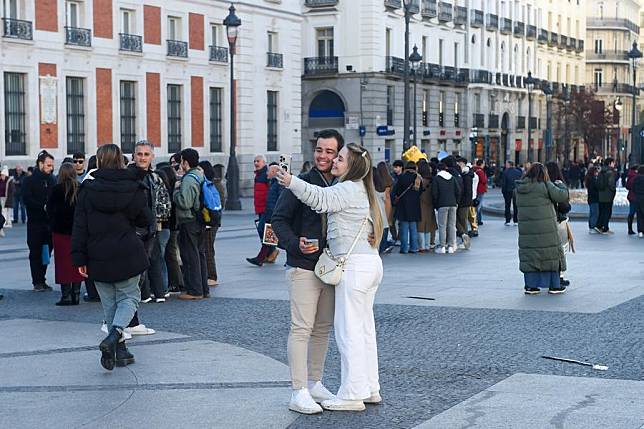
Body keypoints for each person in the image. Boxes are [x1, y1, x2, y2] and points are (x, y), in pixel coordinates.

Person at [276, 142, 383, 412]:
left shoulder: (347, 188)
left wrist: (290, 181)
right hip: (370, 264)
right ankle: (370, 388)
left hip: (354, 267)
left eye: (340, 157)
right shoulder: (364, 190)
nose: (333, 160)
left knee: (349, 332)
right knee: (364, 330)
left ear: (351, 165)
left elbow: (320, 199)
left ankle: (352, 394)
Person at [271, 129, 342, 414]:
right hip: (302, 266)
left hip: (331, 268)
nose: (323, 156)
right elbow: (278, 219)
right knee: (301, 328)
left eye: (330, 152)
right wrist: (295, 244)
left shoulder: (341, 184)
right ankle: (298, 390)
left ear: (339, 155)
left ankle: (315, 382)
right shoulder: (300, 183)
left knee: (323, 329)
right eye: (320, 150)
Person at [71, 144, 152, 370]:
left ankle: (118, 349)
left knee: (109, 303)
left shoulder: (87, 188)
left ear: (98, 161)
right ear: (121, 160)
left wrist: (79, 259)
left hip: (97, 253)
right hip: (126, 249)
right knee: (130, 298)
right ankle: (114, 336)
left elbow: (79, 226)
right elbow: (145, 219)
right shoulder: (132, 186)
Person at [515, 163, 569, 295]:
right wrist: (560, 184)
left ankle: (531, 286)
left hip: (527, 229)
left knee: (530, 255)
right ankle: (554, 285)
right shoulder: (545, 185)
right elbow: (562, 196)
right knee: (550, 255)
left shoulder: (520, 188)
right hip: (547, 229)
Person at [130, 140, 171, 303]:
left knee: (153, 258)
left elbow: (165, 202)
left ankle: (158, 292)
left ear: (152, 157)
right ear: (134, 156)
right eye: (139, 154)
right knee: (140, 261)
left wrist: (157, 221)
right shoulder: (128, 176)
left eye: (146, 154)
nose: (142, 158)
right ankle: (144, 293)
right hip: (134, 227)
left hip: (151, 227)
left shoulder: (155, 178)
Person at [174, 148, 209, 300]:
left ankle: (194, 291)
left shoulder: (189, 178)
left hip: (189, 220)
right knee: (200, 254)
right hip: (200, 219)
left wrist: (176, 191)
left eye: (181, 161)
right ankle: (203, 289)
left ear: (185, 162)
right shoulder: (200, 174)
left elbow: (185, 202)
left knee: (190, 256)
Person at [47, 163, 84, 306]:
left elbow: (50, 210)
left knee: (62, 263)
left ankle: (66, 295)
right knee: (78, 262)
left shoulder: (56, 189)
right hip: (77, 231)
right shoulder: (80, 188)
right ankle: (76, 294)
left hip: (60, 231)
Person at [22, 151, 56, 291]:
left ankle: (42, 278)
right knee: (35, 252)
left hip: (49, 223)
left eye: (52, 165)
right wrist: (42, 206)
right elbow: (27, 199)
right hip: (35, 223)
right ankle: (37, 281)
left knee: (46, 252)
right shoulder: (29, 181)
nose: (51, 168)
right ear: (40, 164)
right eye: (48, 165)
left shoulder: (53, 180)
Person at [247, 163, 283, 266]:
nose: (266, 173)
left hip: (272, 214)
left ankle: (261, 258)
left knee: (269, 237)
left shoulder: (278, 184)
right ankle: (263, 257)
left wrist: (275, 214)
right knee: (266, 235)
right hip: (268, 212)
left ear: (274, 173)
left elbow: (279, 200)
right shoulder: (273, 182)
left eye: (269, 171)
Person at [546, 162, 573, 288]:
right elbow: (564, 206)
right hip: (558, 221)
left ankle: (547, 276)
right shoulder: (558, 185)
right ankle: (559, 276)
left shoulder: (543, 184)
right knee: (562, 249)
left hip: (545, 221)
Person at [198, 160, 224, 285]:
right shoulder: (213, 184)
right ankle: (210, 275)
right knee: (208, 247)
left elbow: (218, 203)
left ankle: (212, 276)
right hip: (213, 219)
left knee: (208, 248)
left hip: (211, 220)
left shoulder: (212, 185)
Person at [393, 161, 422, 254]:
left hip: (403, 205)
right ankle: (414, 248)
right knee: (413, 228)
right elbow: (421, 191)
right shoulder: (418, 178)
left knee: (404, 228)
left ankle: (404, 248)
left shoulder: (402, 177)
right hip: (414, 206)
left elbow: (396, 191)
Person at [432, 162, 461, 254]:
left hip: (442, 204)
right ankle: (451, 246)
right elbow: (458, 191)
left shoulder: (436, 178)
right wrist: (456, 202)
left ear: (437, 169)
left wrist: (436, 205)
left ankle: (443, 246)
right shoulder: (452, 178)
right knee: (452, 225)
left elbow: (434, 193)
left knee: (442, 226)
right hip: (453, 204)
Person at [373, 162, 394, 254]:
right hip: (382, 211)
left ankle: (379, 248)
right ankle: (383, 247)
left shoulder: (370, 187)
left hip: (373, 212)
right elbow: (388, 200)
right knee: (384, 228)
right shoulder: (383, 186)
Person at [416, 160, 437, 252]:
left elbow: (416, 192)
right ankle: (428, 245)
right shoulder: (433, 180)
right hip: (430, 204)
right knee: (428, 225)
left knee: (420, 225)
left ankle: (422, 246)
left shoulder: (419, 180)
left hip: (420, 204)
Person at [455, 157, 474, 249]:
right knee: (462, 220)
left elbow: (466, 190)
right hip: (465, 201)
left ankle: (465, 239)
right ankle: (464, 238)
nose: (458, 165)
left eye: (459, 163)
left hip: (464, 201)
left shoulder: (466, 175)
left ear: (463, 163)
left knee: (461, 220)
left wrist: (463, 201)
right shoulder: (466, 174)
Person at [596, 158, 617, 234]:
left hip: (601, 195)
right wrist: (614, 190)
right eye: (613, 162)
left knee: (602, 211)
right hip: (608, 195)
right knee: (608, 211)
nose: (614, 164)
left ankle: (600, 226)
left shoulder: (601, 171)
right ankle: (605, 227)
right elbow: (611, 184)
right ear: (610, 163)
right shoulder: (610, 172)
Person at [501, 160, 522, 226]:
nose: (505, 165)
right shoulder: (518, 172)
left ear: (509, 164)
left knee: (507, 205)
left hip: (507, 190)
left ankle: (508, 220)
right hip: (516, 190)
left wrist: (503, 191)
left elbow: (504, 183)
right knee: (516, 205)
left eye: (506, 164)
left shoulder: (505, 172)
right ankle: (516, 220)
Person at [585, 165, 601, 234]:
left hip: (591, 199)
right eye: (596, 172)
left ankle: (591, 226)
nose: (597, 173)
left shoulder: (589, 179)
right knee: (595, 213)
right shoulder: (593, 180)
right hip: (594, 199)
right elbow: (594, 190)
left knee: (592, 213)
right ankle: (592, 227)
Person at [473, 159, 488, 225]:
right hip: (480, 189)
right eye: (484, 163)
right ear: (481, 164)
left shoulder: (475, 169)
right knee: (478, 205)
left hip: (477, 189)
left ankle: (479, 219)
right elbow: (484, 180)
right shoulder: (480, 171)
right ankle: (477, 220)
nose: (484, 165)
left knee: (478, 205)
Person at [631, 165, 644, 237]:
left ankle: (640, 231)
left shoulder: (636, 178)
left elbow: (633, 189)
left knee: (639, 215)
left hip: (638, 198)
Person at [625, 165, 639, 235]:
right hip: (636, 197)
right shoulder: (636, 177)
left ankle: (630, 229)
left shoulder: (630, 176)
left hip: (631, 196)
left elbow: (627, 186)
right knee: (639, 213)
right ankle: (640, 230)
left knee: (631, 213)